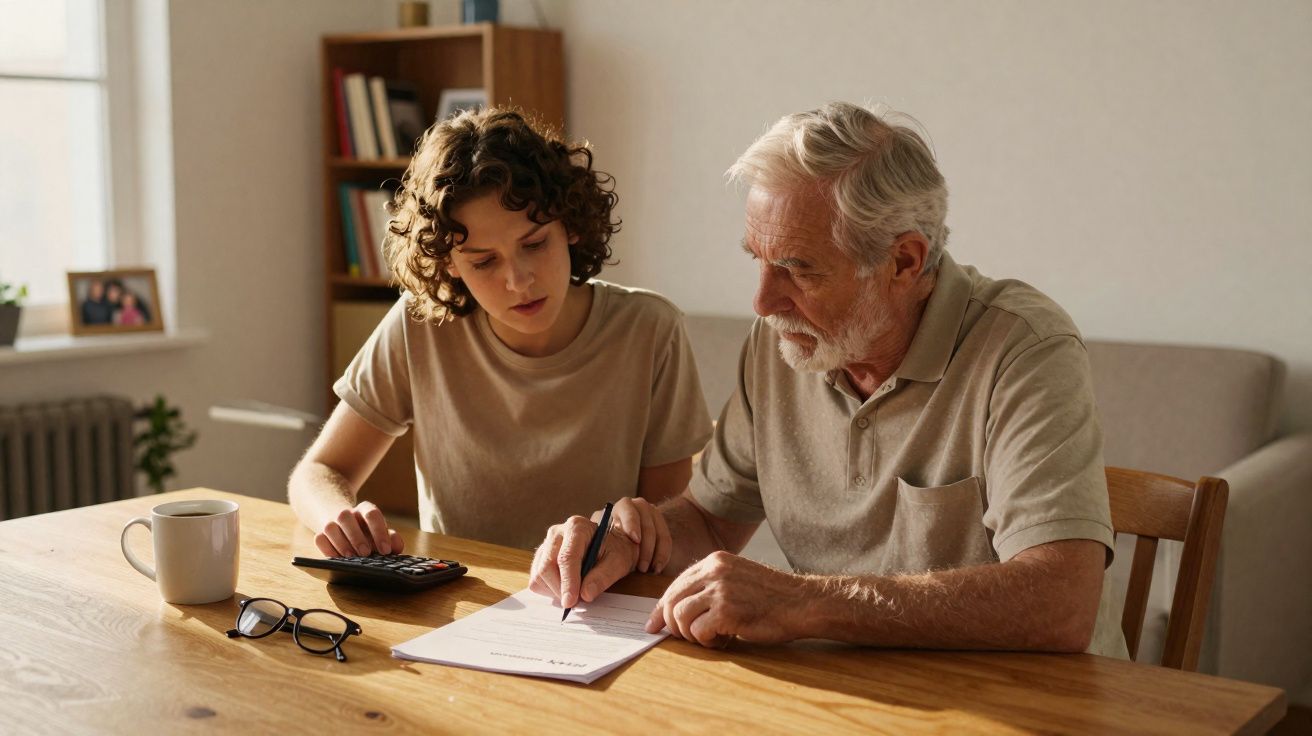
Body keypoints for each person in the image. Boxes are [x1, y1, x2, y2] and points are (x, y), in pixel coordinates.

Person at [530, 102, 1127, 658]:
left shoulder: (1023, 349)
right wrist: (629, 542)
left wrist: (804, 602)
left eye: (797, 269)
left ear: (904, 261)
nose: (763, 302)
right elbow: (711, 519)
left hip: (1029, 701)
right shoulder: (783, 344)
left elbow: (1060, 602)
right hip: (849, 695)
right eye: (757, 260)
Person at [288, 107, 712, 558]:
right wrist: (337, 516)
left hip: (596, 600)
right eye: (484, 262)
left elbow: (664, 527)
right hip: (458, 599)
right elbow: (321, 470)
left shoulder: (650, 330)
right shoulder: (420, 327)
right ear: (450, 265)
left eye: (534, 244)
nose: (518, 281)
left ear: (568, 225)